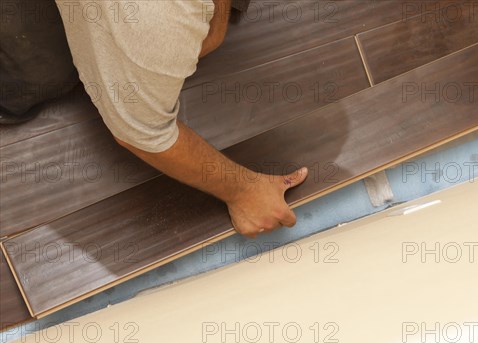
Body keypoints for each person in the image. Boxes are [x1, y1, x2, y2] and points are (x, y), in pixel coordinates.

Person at [1, 0, 307, 238]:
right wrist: (243, 192)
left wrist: (217, 18)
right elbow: (140, 134)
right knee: (37, 75)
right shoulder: (152, 27)